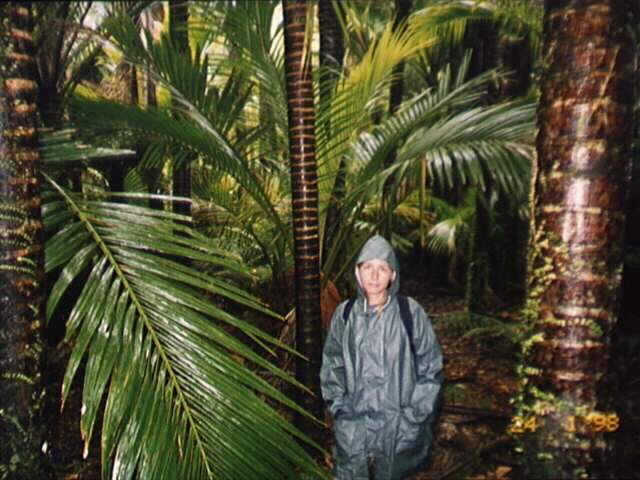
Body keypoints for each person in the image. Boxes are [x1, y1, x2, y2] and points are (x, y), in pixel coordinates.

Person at [320, 234, 443, 480]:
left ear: (393, 275)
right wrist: (341, 413)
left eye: (382, 268)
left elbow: (431, 370)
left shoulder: (411, 313)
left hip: (398, 430)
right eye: (368, 267)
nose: (374, 276)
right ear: (357, 273)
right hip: (354, 430)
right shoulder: (344, 315)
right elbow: (332, 366)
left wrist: (412, 420)